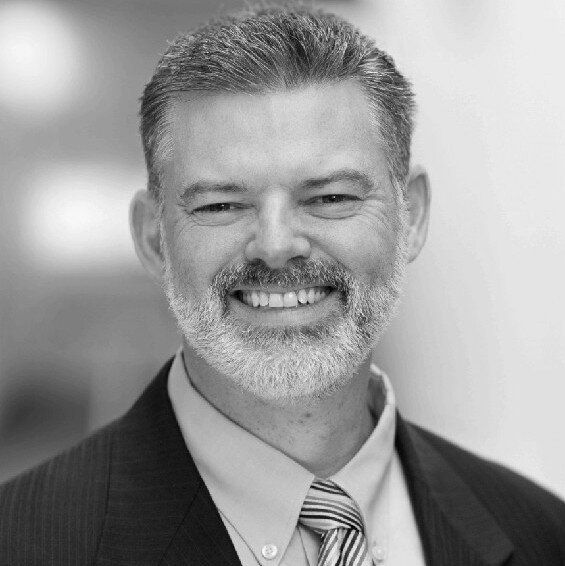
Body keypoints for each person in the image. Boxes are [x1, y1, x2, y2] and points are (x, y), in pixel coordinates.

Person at [1, 5, 564, 565]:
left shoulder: (543, 532)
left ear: (410, 216)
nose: (275, 245)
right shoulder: (22, 543)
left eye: (330, 198)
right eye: (221, 203)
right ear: (153, 239)